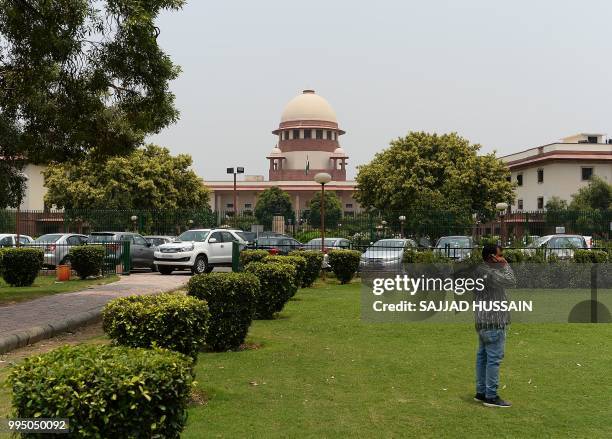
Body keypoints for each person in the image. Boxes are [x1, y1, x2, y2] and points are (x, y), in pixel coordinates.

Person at [474, 243, 515, 408]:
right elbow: (511, 281)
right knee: (493, 360)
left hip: (482, 320)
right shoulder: (491, 274)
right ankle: (491, 396)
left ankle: (481, 392)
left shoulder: (478, 271)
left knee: (482, 358)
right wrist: (505, 265)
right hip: (494, 322)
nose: (502, 258)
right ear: (491, 257)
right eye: (499, 255)